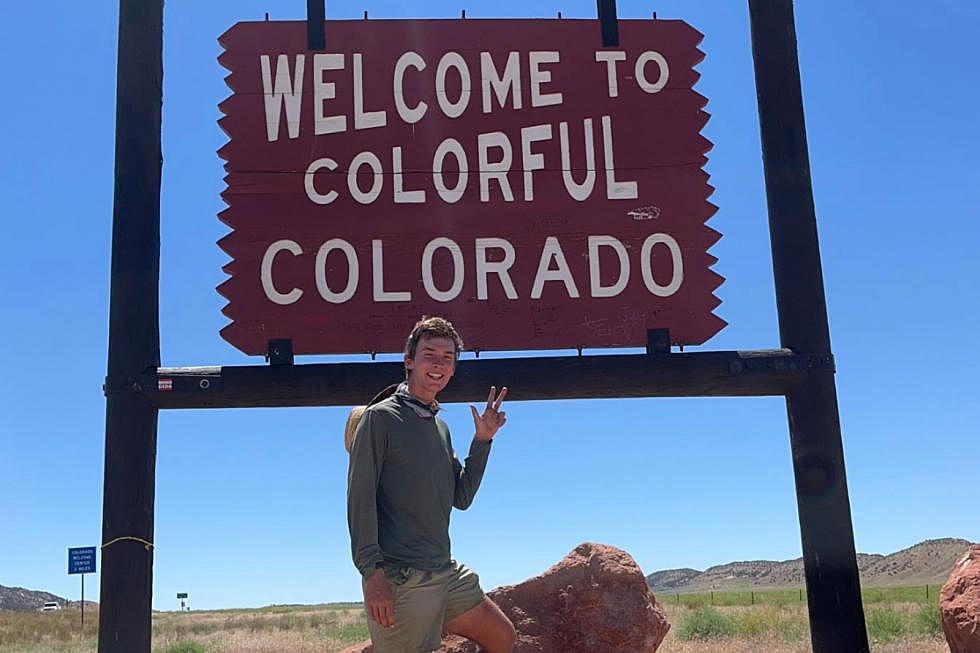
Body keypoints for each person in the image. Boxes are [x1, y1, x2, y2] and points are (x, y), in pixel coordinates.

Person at [347, 316, 516, 653]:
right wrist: (372, 575)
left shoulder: (439, 427)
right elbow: (359, 497)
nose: (439, 364)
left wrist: (482, 441)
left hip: (445, 571)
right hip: (402, 579)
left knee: (502, 637)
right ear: (409, 361)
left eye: (447, 357)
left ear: (453, 368)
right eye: (430, 354)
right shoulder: (380, 418)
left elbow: (461, 496)